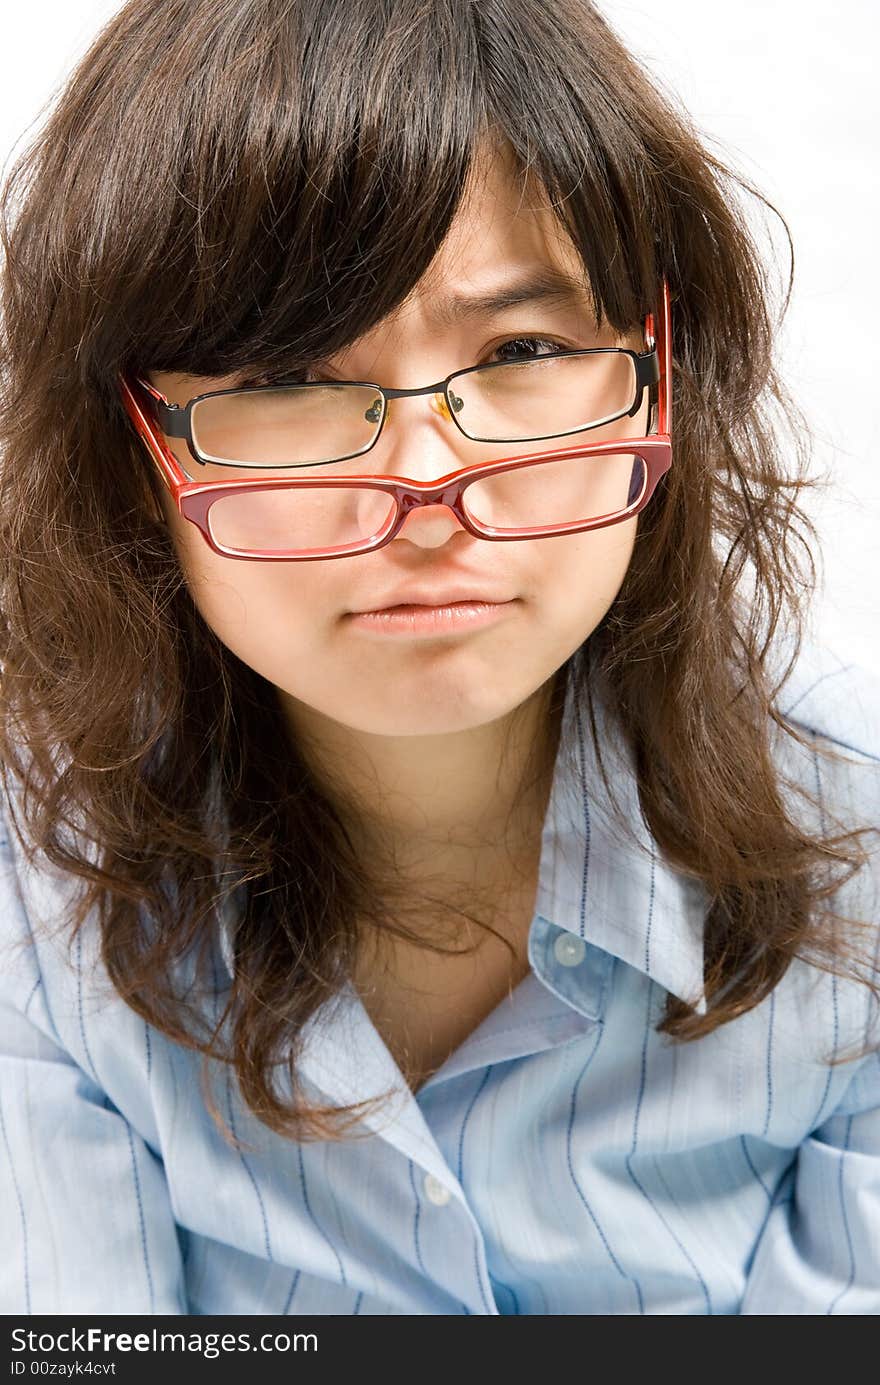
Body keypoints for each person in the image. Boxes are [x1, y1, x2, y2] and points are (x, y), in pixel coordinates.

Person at [0, 0, 877, 1317]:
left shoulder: (858, 837)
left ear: (660, 371)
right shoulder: (33, 876)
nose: (425, 482)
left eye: (523, 350)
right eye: (293, 373)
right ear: (134, 450)